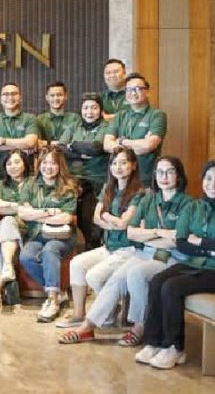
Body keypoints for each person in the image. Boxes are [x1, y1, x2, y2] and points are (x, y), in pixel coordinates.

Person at [59, 157, 191, 345]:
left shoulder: (188, 204)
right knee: (117, 278)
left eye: (170, 171)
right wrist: (157, 233)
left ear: (178, 175)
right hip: (144, 252)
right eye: (160, 172)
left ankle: (139, 327)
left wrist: (147, 234)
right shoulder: (149, 200)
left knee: (136, 273)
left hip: (170, 256)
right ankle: (87, 327)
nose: (164, 176)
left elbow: (178, 240)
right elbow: (131, 232)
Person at [135, 160, 215, 369]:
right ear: (202, 181)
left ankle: (174, 347)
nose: (212, 184)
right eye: (208, 178)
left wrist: (201, 242)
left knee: (172, 287)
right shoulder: (193, 207)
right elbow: (182, 243)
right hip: (195, 263)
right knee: (157, 281)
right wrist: (213, 247)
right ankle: (153, 342)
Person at [56, 147, 143, 328]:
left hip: (128, 249)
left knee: (94, 276)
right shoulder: (108, 188)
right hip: (108, 247)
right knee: (77, 263)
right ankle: (79, 314)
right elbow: (96, 218)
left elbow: (124, 223)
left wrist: (107, 217)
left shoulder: (139, 193)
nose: (118, 167)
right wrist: (113, 220)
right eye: (114, 163)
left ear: (133, 165)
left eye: (123, 163)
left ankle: (108, 310)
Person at [17, 147, 78, 321]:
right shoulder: (30, 184)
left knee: (50, 250)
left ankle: (52, 301)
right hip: (36, 235)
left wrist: (35, 214)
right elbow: (22, 212)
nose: (48, 167)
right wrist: (49, 212)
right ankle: (58, 292)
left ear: (60, 166)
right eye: (45, 162)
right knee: (26, 256)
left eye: (53, 163)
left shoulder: (68, 187)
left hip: (61, 236)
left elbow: (66, 218)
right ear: (39, 164)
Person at [0, 150, 34, 312]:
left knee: (0, 249)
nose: (13, 166)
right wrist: (20, 207)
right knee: (8, 222)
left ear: (25, 164)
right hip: (8, 230)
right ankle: (5, 273)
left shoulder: (34, 183)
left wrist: (8, 205)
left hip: (29, 228)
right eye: (9, 163)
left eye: (17, 162)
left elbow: (33, 209)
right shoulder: (1, 185)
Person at [57, 94, 109, 251]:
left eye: (94, 108)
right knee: (72, 217)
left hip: (96, 180)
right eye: (85, 108)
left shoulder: (106, 127)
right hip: (73, 179)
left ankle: (92, 248)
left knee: (89, 221)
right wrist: (80, 152)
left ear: (100, 110)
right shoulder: (74, 125)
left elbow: (96, 148)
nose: (89, 112)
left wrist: (73, 146)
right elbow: (60, 147)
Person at [103, 72, 167, 187]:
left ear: (147, 92)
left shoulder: (157, 115)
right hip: (120, 178)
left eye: (138, 89)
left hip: (145, 178)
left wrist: (121, 141)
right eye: (129, 90)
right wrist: (137, 145)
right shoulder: (120, 116)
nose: (133, 93)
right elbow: (107, 145)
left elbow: (149, 145)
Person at [0, 82, 39, 182]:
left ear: (20, 98)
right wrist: (22, 145)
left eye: (14, 94)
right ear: (1, 99)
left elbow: (30, 142)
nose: (10, 97)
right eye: (6, 94)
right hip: (0, 174)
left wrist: (2, 141)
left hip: (26, 174)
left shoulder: (30, 118)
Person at [35, 81, 81, 148]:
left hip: (68, 154)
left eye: (59, 95)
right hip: (45, 154)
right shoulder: (39, 119)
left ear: (65, 96)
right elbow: (37, 143)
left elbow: (76, 143)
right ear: (47, 98)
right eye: (52, 95)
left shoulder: (75, 118)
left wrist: (47, 143)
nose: (56, 98)